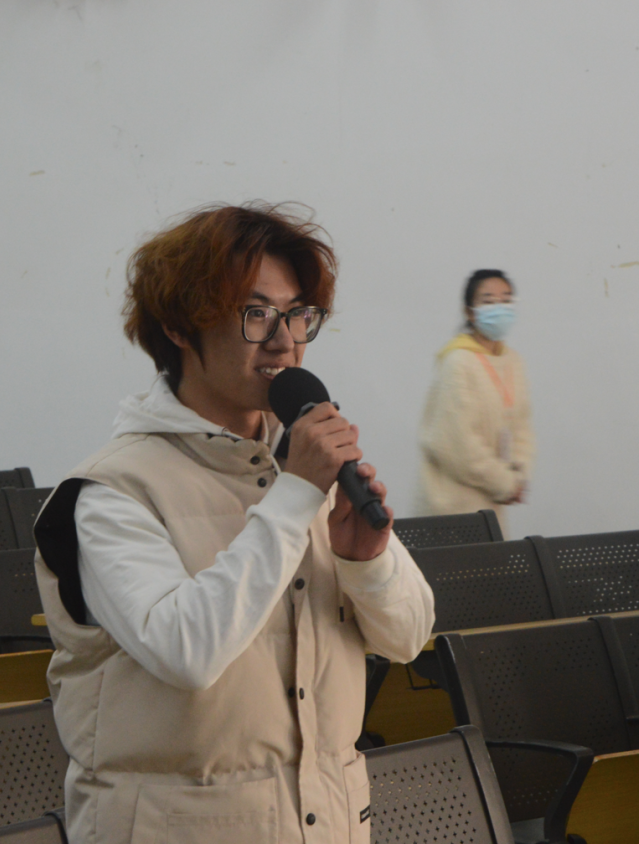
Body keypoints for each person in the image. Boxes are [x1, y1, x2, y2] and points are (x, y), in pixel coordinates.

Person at [33, 202, 435, 844]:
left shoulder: (301, 467)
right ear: (178, 326)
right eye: (256, 314)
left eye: (297, 314)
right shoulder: (112, 491)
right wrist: (295, 496)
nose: (285, 340)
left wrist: (367, 563)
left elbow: (409, 638)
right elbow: (186, 652)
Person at [415, 268, 535, 538]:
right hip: (451, 509)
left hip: (493, 505)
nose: (499, 307)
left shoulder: (513, 362)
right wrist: (505, 483)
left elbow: (522, 427)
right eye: (488, 301)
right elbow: (457, 444)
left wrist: (518, 474)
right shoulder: (458, 361)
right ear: (469, 312)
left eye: (506, 300)